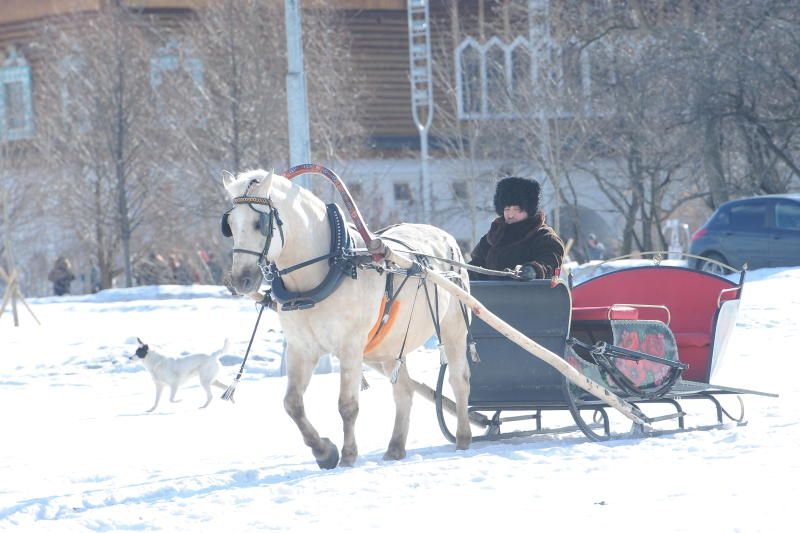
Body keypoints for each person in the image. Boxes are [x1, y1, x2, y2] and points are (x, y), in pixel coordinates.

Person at [468, 176, 565, 281]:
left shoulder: (544, 237)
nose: (510, 215)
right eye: (507, 209)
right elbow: (475, 267)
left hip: (530, 295)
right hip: (491, 295)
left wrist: (533, 270)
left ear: (528, 210)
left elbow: (549, 263)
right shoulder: (493, 237)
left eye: (516, 209)